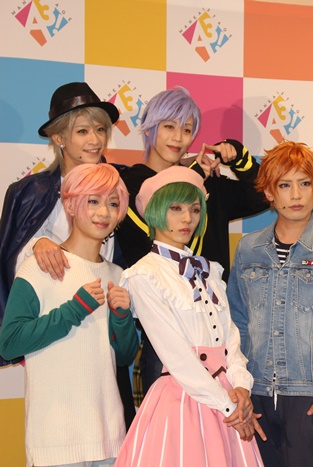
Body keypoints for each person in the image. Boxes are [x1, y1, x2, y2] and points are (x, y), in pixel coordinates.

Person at [115, 87, 268, 399]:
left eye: (187, 130)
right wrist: (190, 177)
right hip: (165, 340)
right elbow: (150, 237)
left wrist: (240, 158)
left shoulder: (210, 182)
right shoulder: (128, 185)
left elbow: (263, 195)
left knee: (219, 426)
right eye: (169, 126)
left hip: (217, 337)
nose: (178, 138)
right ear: (149, 128)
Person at [115, 166, 263, 467]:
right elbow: (175, 354)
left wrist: (241, 387)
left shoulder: (211, 271)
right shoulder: (144, 274)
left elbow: (230, 338)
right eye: (176, 208)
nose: (187, 219)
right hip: (182, 399)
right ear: (155, 211)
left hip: (226, 396)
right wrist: (228, 407)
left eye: (195, 210)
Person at [228, 141, 313, 467]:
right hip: (255, 394)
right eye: (285, 185)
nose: (296, 195)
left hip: (311, 397)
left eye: (304, 183)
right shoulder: (248, 248)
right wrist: (237, 389)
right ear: (269, 192)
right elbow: (235, 324)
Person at [0, 163, 138, 467]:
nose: (104, 212)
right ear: (71, 204)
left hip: (110, 439)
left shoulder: (118, 274)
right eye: (93, 201)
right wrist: (73, 310)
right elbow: (9, 344)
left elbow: (124, 356)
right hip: (54, 442)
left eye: (113, 204)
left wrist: (121, 318)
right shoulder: (38, 267)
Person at [0, 82, 120, 365]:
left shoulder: (120, 185)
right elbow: (7, 259)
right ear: (59, 138)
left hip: (104, 326)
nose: (95, 139)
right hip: (50, 329)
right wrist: (36, 244)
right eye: (82, 131)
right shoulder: (27, 192)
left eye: (100, 129)